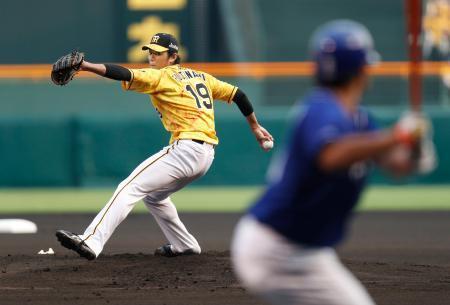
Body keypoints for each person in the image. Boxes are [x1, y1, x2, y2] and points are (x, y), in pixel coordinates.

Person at [231, 20, 433, 305]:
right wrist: (398, 135)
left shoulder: (359, 118)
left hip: (305, 251)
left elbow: (396, 165)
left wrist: (414, 152)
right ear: (362, 70)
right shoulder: (321, 108)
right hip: (275, 248)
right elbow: (332, 156)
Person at [55, 33, 274, 260]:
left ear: (172, 57)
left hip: (186, 149)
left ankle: (91, 240)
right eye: (150, 51)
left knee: (129, 187)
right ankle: (184, 244)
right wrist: (255, 127)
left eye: (157, 53)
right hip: (205, 156)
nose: (152, 56)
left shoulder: (161, 78)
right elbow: (239, 94)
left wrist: (86, 66)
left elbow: (123, 72)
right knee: (154, 197)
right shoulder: (202, 78)